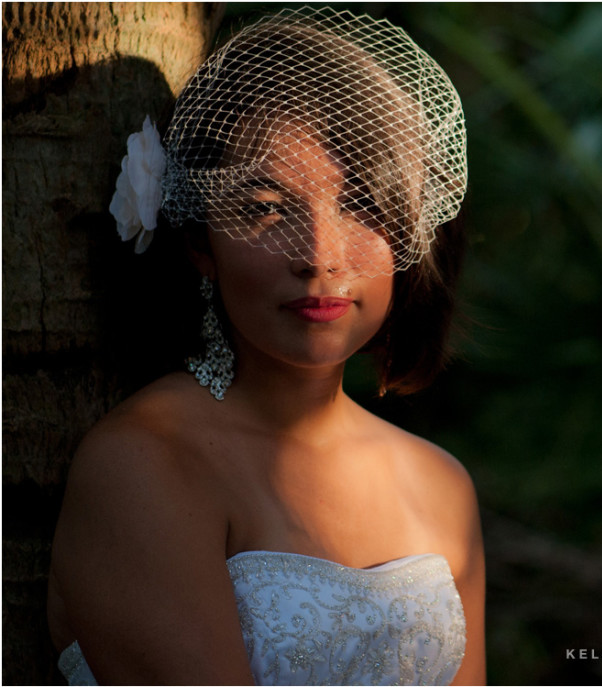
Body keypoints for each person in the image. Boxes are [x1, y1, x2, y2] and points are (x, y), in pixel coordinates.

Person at [46, 7, 484, 685]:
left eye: (362, 204)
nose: (320, 257)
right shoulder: (144, 464)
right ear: (199, 243)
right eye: (265, 207)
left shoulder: (441, 485)